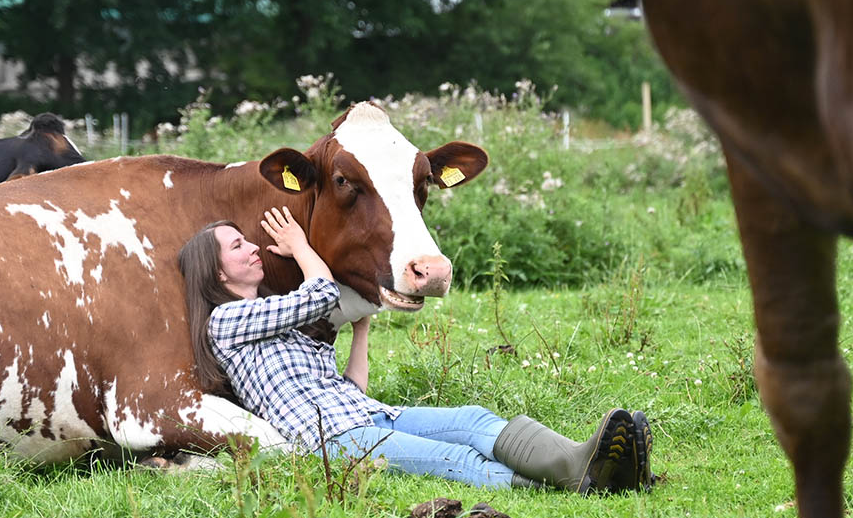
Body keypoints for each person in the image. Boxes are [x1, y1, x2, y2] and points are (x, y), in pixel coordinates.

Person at [177, 207, 655, 493]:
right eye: (237, 246)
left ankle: (585, 462)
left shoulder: (282, 324)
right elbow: (320, 293)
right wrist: (300, 245)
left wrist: (361, 331)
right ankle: (584, 480)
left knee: (472, 420)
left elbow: (350, 389)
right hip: (336, 442)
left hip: (369, 415)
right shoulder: (226, 322)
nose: (252, 247)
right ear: (217, 274)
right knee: (458, 460)